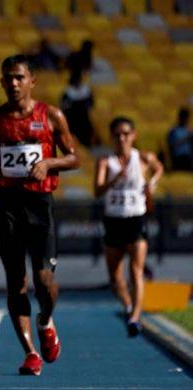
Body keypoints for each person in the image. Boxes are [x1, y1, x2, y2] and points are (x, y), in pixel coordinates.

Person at [0, 54, 79, 376]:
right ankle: (31, 353)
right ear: (2, 82)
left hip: (39, 205)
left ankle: (46, 320)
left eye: (20, 77)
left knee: (44, 282)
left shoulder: (51, 116)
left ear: (32, 80)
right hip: (7, 205)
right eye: (9, 78)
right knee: (16, 283)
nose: (14, 83)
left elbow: (74, 158)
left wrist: (49, 163)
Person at [94, 117, 163, 337]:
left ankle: (135, 317)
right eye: (117, 134)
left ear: (133, 135)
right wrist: (114, 181)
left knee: (136, 270)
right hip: (114, 221)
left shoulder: (142, 158)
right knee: (115, 278)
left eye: (125, 134)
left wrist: (152, 182)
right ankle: (127, 305)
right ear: (112, 137)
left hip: (136, 219)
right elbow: (97, 190)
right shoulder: (105, 161)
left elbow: (158, 167)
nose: (121, 138)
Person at [60, 69, 94, 148]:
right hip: (72, 117)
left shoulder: (85, 90)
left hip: (84, 117)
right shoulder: (68, 91)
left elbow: (91, 103)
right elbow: (64, 105)